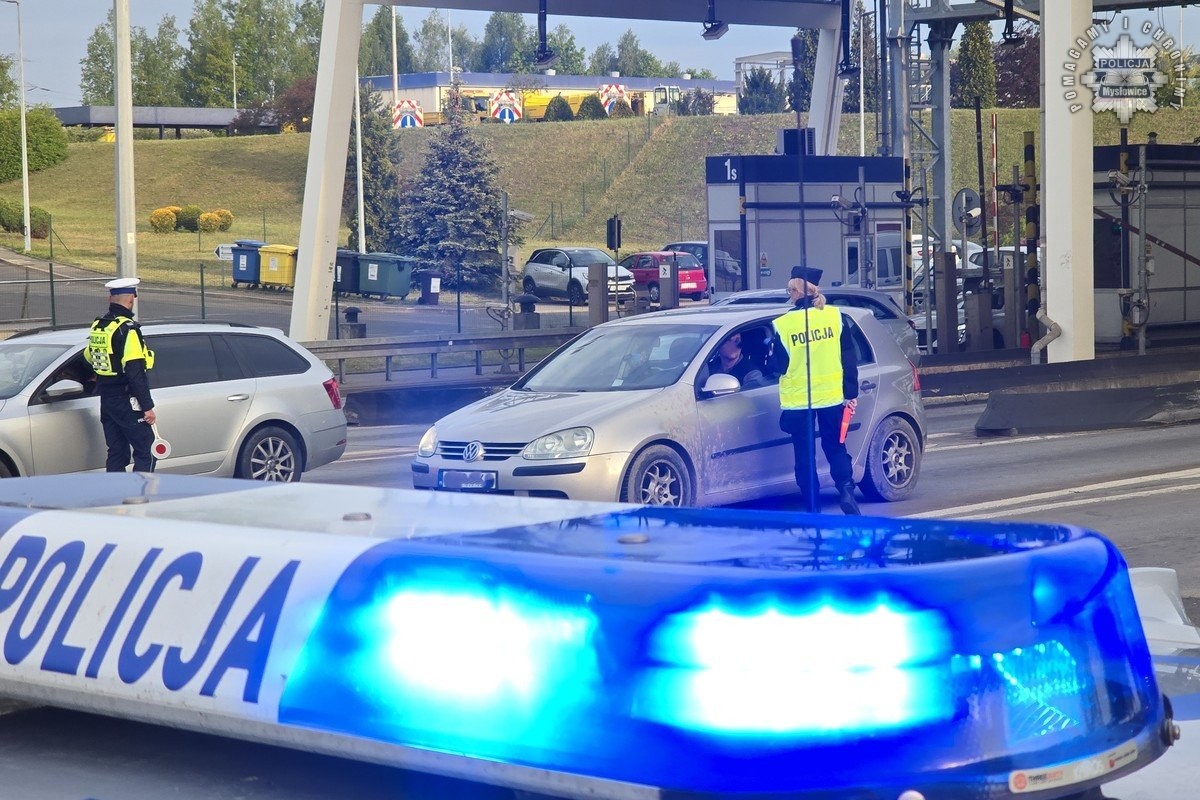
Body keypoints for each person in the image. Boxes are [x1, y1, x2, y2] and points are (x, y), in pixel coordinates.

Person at [770, 267, 860, 515]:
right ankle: (845, 490)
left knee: (805, 455)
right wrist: (850, 393)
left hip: (799, 402)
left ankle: (813, 507)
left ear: (797, 292)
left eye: (790, 289)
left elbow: (779, 365)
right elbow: (849, 358)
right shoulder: (835, 317)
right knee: (835, 447)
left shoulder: (784, 325)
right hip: (832, 397)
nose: (789, 294)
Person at [86, 277, 157, 472]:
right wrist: (147, 406)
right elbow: (135, 372)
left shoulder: (99, 327)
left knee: (117, 452)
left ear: (111, 299)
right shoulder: (128, 330)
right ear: (131, 300)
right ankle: (140, 498)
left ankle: (115, 496)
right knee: (147, 451)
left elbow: (90, 357)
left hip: (107, 400)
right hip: (126, 399)